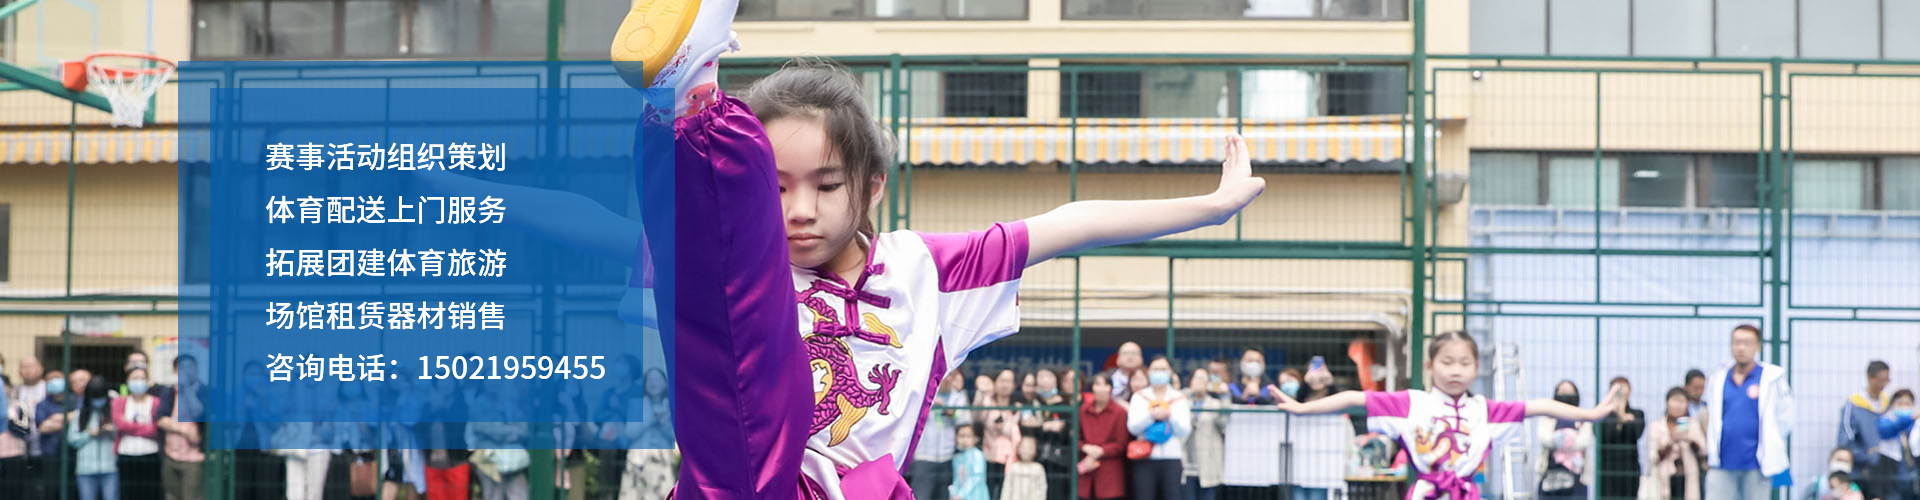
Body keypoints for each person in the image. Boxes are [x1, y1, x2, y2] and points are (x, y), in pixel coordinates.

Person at [1269, 330, 1624, 499]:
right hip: (1425, 492)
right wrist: (1302, 408)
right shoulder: (1411, 403)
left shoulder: (1485, 410)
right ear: (1430, 366)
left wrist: (1592, 414)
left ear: (1476, 368)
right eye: (1447, 361)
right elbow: (1353, 398)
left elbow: (1540, 406)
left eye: (1464, 363)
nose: (1455, 370)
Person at [1704, 324, 1793, 500]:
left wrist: (1772, 438)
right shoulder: (1718, 377)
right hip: (1722, 461)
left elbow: (1786, 417)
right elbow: (1711, 416)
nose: (1741, 348)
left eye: (1747, 343)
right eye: (1736, 342)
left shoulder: (1772, 377)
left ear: (1758, 346)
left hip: (1757, 463)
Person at [1127, 356, 1191, 500]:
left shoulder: (1179, 398)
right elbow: (1133, 427)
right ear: (1149, 372)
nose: (1159, 373)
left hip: (1172, 457)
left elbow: (1184, 430)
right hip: (1145, 457)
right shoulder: (1139, 397)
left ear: (1170, 372)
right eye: (1155, 369)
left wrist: (1169, 415)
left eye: (1163, 369)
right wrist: (1151, 416)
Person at [1288, 361, 1347, 500]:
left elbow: (1340, 402)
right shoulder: (1302, 395)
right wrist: (1306, 382)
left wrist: (1330, 383)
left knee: (1317, 495)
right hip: (1300, 456)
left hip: (1323, 459)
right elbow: (1298, 402)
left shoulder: (1332, 397)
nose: (1317, 376)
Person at [912, 369, 971, 500]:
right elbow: (912, 418)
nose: (947, 379)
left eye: (950, 376)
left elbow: (965, 421)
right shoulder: (924, 394)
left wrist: (950, 411)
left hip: (948, 457)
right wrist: (930, 403)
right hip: (924, 456)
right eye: (944, 375)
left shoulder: (958, 397)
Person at [1642, 387, 1706, 500]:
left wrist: (1689, 440)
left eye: (1682, 401)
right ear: (1667, 403)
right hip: (1663, 478)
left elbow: (1703, 452)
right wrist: (1671, 440)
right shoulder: (1656, 426)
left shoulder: (1693, 425)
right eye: (1675, 401)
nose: (1678, 405)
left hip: (1687, 477)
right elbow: (1653, 457)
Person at [1842, 361, 1895, 498]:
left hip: (1886, 472)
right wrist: (1867, 456)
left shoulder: (1888, 404)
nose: (1884, 384)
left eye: (1887, 380)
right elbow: (1845, 440)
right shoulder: (1853, 405)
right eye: (1881, 380)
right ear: (1869, 378)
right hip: (1861, 472)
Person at [159, 355, 207, 500]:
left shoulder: (204, 391)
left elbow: (198, 412)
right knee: (172, 495)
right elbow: (160, 419)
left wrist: (187, 389)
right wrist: (183, 430)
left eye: (190, 367)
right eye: (182, 368)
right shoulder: (169, 392)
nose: (186, 371)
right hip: (170, 454)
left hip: (194, 457)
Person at [1020, 369, 1072, 500]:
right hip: (1036, 459)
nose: (1044, 380)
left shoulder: (1066, 404)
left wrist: (1041, 425)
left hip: (1059, 462)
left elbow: (1066, 429)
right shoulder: (1033, 404)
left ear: (1056, 380)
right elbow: (1027, 426)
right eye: (1040, 377)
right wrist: (1046, 426)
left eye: (1048, 376)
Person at [1537, 380, 1594, 499]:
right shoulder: (1547, 416)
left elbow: (1584, 441)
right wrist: (1570, 438)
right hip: (1550, 473)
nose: (1565, 393)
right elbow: (1544, 438)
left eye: (1569, 391)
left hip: (1577, 475)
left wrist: (1560, 440)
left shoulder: (1584, 416)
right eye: (1562, 390)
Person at [112, 367, 162, 499]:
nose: (139, 381)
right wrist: (145, 427)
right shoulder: (120, 401)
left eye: (142, 378)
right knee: (128, 493)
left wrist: (129, 426)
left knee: (149, 493)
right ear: (127, 381)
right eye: (135, 378)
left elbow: (156, 429)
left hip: (150, 452)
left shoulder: (156, 402)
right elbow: (120, 424)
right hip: (126, 452)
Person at [1077, 372, 1128, 500]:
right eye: (1097, 384)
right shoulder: (1083, 410)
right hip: (1086, 471)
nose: (1101, 389)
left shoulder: (1119, 412)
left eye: (1105, 385)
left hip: (1110, 474)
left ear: (1111, 388)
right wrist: (1084, 447)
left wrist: (1101, 451)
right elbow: (1076, 438)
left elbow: (1121, 444)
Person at [69, 378, 119, 500]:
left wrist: (112, 430)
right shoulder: (80, 414)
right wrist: (89, 433)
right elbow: (72, 439)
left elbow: (121, 436)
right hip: (86, 469)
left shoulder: (113, 413)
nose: (98, 400)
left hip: (109, 467)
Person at [1601, 376, 1648, 498]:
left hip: (1630, 468)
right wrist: (1622, 418)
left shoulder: (1637, 413)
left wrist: (1621, 413)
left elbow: (1637, 433)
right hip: (1607, 469)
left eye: (1623, 387)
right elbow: (1601, 435)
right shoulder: (1602, 414)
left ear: (1630, 390)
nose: (1620, 390)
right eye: (1617, 387)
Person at [1183, 368, 1227, 500]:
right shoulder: (1182, 401)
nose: (1199, 381)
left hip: (1208, 462)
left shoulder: (1215, 404)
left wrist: (1225, 396)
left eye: (1203, 378)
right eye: (1196, 377)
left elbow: (1223, 422)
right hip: (1186, 462)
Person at [982, 369, 1022, 499]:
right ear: (995, 383)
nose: (1005, 385)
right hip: (990, 458)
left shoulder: (1017, 407)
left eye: (1008, 381)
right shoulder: (987, 403)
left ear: (1014, 386)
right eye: (1002, 380)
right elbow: (978, 420)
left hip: (1011, 461)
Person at [1001, 436, 1046, 500]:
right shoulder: (1014, 467)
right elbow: (1007, 487)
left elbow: (1042, 488)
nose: (1026, 450)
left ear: (1035, 450)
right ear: (1018, 449)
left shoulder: (1038, 468)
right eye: (1023, 447)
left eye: (1029, 447)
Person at [951, 426, 989, 500]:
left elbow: (976, 478)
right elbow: (956, 479)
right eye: (961, 436)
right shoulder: (957, 457)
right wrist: (954, 494)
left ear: (976, 439)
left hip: (976, 495)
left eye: (968, 436)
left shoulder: (977, 455)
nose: (964, 440)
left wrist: (960, 495)